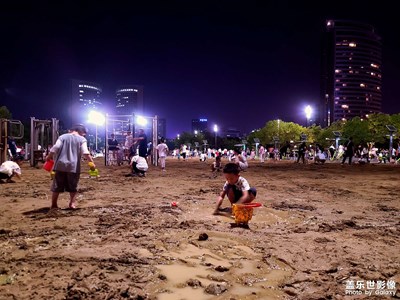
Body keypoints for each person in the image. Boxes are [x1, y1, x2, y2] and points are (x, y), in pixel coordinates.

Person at [46, 124, 95, 209]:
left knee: (57, 186)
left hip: (60, 165)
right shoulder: (82, 139)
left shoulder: (62, 137)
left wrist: (49, 157)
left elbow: (56, 147)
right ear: (80, 131)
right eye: (84, 133)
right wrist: (92, 163)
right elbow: (85, 152)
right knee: (73, 186)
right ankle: (72, 204)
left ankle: (54, 205)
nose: (84, 135)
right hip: (73, 166)